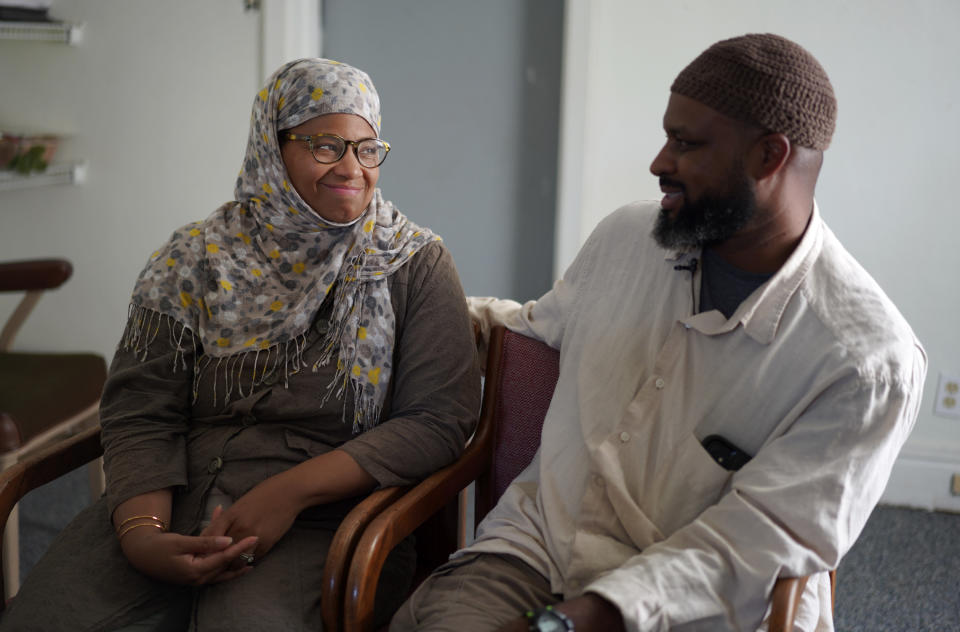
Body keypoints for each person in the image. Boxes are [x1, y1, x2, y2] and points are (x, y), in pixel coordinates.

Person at [391, 33, 926, 632]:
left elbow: (746, 548)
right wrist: (396, 303)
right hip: (538, 555)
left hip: (706, 612)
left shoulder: (865, 362)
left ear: (769, 157)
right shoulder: (627, 237)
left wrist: (564, 625)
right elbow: (532, 332)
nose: (658, 162)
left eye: (685, 143)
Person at [1, 58, 480, 631]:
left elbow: (438, 420)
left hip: (326, 520)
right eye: (326, 146)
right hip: (170, 495)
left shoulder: (414, 264)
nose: (352, 167)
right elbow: (141, 408)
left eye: (366, 148)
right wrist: (143, 537)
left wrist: (288, 494)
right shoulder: (194, 258)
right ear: (272, 150)